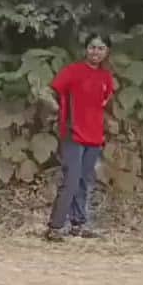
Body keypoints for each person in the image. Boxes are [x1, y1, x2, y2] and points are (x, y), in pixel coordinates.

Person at [46, 33, 116, 242]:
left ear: (107, 52)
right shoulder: (73, 71)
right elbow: (49, 92)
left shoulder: (106, 77)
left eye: (101, 48)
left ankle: (78, 224)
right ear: (86, 49)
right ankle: (55, 227)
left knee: (85, 180)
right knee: (71, 179)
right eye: (92, 47)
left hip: (94, 137)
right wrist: (59, 113)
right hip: (73, 134)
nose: (96, 52)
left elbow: (104, 101)